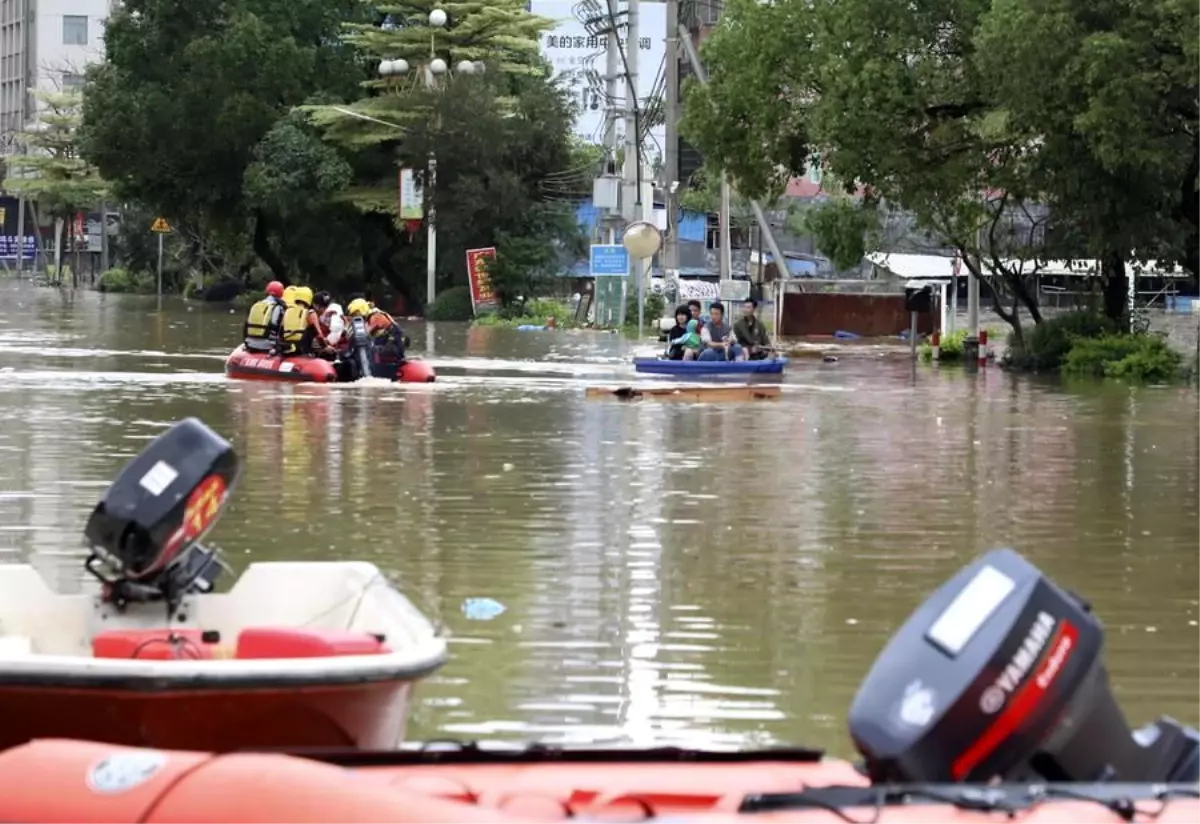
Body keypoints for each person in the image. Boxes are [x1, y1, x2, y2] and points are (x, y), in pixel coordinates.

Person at [278, 286, 329, 357]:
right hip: (302, 350)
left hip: (287, 348)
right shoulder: (310, 313)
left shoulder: (287, 312)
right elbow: (319, 335)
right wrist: (326, 347)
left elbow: (280, 333)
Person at [243, 281, 286, 352]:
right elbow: (280, 328)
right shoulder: (278, 307)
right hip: (268, 346)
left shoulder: (255, 305)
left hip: (250, 344)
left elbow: (245, 326)